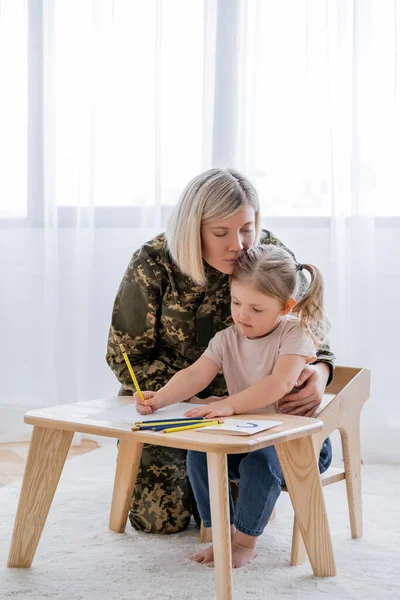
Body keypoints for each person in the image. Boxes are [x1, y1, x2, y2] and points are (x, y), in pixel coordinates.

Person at [106, 168, 334, 534]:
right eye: (220, 233)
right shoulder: (153, 263)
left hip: (247, 413)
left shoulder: (265, 252)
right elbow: (126, 356)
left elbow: (309, 326)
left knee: (239, 505)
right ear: (193, 229)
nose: (239, 244)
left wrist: (319, 375)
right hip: (178, 404)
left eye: (246, 227)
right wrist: (177, 399)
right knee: (161, 521)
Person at [134, 244, 332, 567]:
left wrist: (229, 405)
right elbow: (196, 374)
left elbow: (279, 383)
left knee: (260, 462)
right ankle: (219, 533)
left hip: (296, 446)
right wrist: (161, 397)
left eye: (256, 309)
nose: (242, 315)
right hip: (248, 439)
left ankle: (244, 542)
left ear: (285, 307)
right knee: (200, 452)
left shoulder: (294, 333)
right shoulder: (228, 338)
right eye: (236, 302)